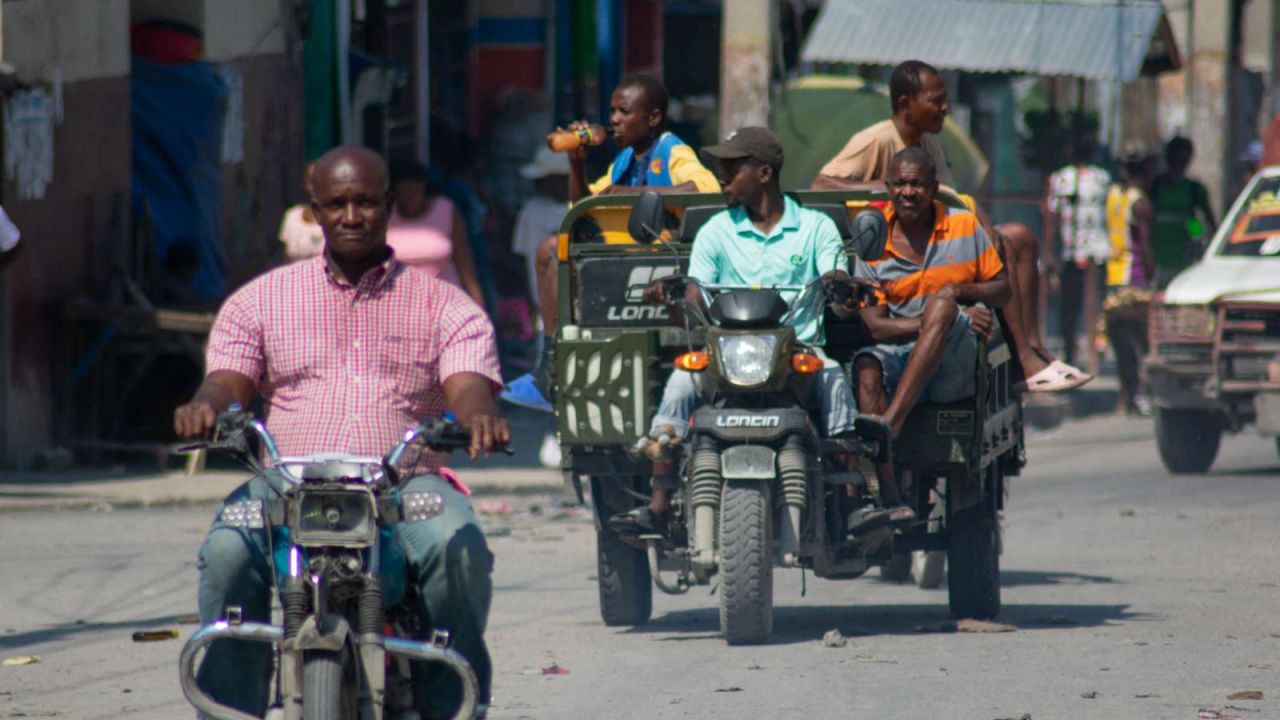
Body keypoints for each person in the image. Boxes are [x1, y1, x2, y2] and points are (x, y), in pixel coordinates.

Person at [174, 146, 509, 719]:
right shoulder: (260, 300)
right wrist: (205, 405)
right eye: (338, 204)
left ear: (387, 206)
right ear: (315, 212)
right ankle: (231, 706)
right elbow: (227, 378)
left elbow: (468, 382)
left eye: (366, 202)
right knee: (227, 549)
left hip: (405, 487)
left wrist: (477, 414)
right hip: (285, 485)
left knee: (460, 549)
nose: (352, 216)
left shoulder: (444, 304)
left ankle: (451, 703)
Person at [607, 126, 881, 535]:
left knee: (834, 380)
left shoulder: (816, 227)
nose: (722, 176)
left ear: (765, 173)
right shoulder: (716, 230)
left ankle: (852, 501)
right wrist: (676, 295)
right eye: (721, 167)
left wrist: (842, 283)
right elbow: (697, 289)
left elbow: (833, 271)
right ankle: (660, 503)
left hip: (797, 351)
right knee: (681, 382)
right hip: (725, 353)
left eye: (733, 168)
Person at [813, 59, 1089, 393]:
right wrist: (885, 188)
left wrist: (977, 222)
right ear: (906, 105)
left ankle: (1033, 347)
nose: (945, 108)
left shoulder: (928, 143)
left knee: (1021, 237)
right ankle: (1021, 360)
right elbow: (822, 183)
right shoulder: (876, 139)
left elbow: (949, 197)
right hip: (891, 249)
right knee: (998, 245)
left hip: (934, 237)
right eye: (936, 101)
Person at [502, 74, 720, 413]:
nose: (614, 120)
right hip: (615, 261)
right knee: (549, 248)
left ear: (653, 118)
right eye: (612, 111)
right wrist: (576, 159)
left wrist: (633, 194)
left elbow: (706, 190)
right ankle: (551, 365)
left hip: (660, 264)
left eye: (623, 112)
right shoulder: (624, 160)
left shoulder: (671, 149)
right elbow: (580, 206)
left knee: (549, 248)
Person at [852, 148, 1010, 514]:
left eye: (918, 184)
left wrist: (959, 293)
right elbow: (875, 326)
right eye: (902, 184)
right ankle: (888, 495)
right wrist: (937, 322)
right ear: (889, 187)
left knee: (943, 302)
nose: (909, 192)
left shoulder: (963, 225)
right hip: (898, 354)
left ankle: (890, 425)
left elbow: (1003, 289)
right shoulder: (873, 237)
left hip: (954, 367)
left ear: (934, 188)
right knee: (865, 367)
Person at [1045, 133, 1111, 370]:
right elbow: (1053, 216)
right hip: (1072, 249)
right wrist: (1050, 252)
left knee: (1089, 304)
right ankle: (1072, 352)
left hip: (1095, 249)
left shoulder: (1099, 178)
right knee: (1070, 305)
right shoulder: (1063, 179)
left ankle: (1091, 354)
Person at [385, 158, 487, 307]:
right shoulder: (386, 216)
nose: (409, 197)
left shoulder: (445, 209)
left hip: (446, 302)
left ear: (423, 188)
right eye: (403, 192)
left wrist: (478, 304)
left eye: (413, 191)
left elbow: (464, 262)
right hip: (400, 304)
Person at [1104, 149, 1155, 416]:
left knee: (1121, 343)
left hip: (1113, 279)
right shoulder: (1140, 202)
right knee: (1144, 342)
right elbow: (1144, 245)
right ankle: (1143, 393)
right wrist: (1152, 275)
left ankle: (1126, 396)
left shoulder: (1113, 195)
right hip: (1134, 279)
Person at [1149, 136, 1216, 287]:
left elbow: (1209, 222)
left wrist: (1199, 239)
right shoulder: (1156, 186)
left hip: (1186, 261)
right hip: (1159, 260)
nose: (1179, 162)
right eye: (1176, 156)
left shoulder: (1194, 189)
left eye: (1184, 158)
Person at [277, 162, 326, 262]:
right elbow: (287, 257)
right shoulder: (292, 216)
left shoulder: (335, 218)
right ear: (304, 184)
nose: (314, 188)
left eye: (319, 182)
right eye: (310, 182)